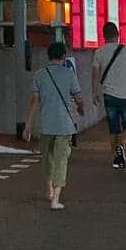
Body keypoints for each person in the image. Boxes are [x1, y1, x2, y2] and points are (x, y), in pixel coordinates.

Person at [23, 41, 84, 211]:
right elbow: (79, 98)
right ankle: (55, 198)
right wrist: (81, 108)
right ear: (64, 56)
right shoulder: (69, 74)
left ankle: (49, 189)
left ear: (48, 56)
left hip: (47, 125)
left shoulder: (40, 75)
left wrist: (27, 124)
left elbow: (34, 101)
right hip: (64, 126)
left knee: (47, 158)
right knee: (61, 160)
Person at [92, 22, 126, 170]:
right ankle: (121, 147)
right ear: (117, 35)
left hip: (108, 96)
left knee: (113, 129)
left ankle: (117, 158)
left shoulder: (99, 53)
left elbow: (95, 75)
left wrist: (94, 92)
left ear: (103, 36)